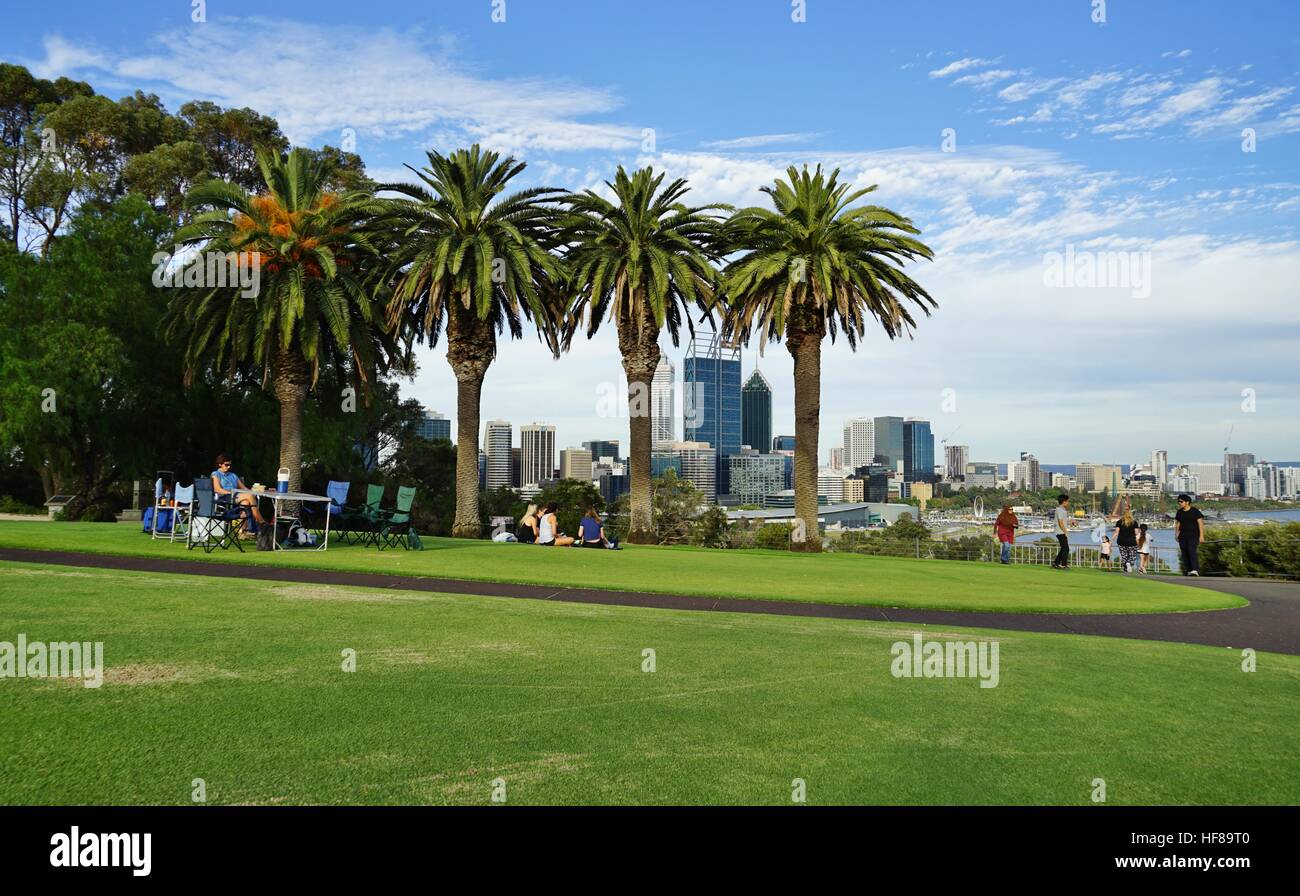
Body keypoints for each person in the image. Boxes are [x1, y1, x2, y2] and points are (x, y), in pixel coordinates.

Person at [211, 453, 265, 533]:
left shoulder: (233, 475)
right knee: (249, 496)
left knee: (246, 502)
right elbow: (217, 489)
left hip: (236, 497)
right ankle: (261, 522)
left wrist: (255, 490)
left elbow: (244, 488)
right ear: (220, 464)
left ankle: (243, 531)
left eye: (229, 465)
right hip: (225, 498)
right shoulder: (216, 474)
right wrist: (231, 492)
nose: (229, 467)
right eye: (226, 465)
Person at [1174, 493, 1205, 576]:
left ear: (1187, 502)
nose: (1179, 503)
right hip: (1182, 536)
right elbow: (1178, 523)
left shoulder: (1195, 511)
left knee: (1191, 551)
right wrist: (1176, 534)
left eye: (1181, 501)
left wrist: (1201, 535)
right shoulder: (1179, 512)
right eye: (1178, 502)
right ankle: (1189, 570)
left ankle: (1195, 569)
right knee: (1184, 552)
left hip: (1193, 535)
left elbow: (1200, 523)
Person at [1051, 494, 1071, 569]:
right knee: (1066, 548)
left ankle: (1056, 563)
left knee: (1063, 548)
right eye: (1067, 501)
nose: (1068, 503)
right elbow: (1060, 522)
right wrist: (1065, 531)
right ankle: (1063, 564)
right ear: (1064, 502)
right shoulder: (1059, 510)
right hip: (1060, 532)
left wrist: (1071, 522)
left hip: (1061, 531)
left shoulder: (1063, 510)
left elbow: (1064, 521)